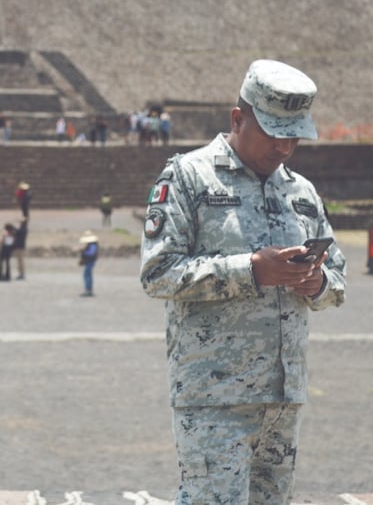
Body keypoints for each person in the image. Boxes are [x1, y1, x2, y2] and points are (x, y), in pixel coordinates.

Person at [139, 58, 347, 504]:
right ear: (238, 119)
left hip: (283, 396)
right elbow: (158, 272)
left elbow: (338, 277)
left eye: (294, 135)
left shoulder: (301, 192)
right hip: (214, 395)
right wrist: (252, 270)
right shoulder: (189, 178)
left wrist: (316, 283)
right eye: (273, 132)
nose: (285, 147)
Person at [78, 230, 99, 296]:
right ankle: (88, 290)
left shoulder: (93, 245)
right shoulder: (92, 244)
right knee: (87, 275)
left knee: (87, 275)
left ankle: (88, 290)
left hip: (90, 261)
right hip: (90, 261)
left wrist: (84, 253)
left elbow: (91, 253)